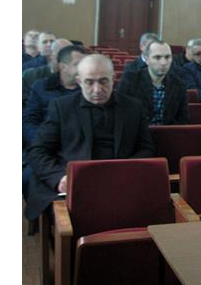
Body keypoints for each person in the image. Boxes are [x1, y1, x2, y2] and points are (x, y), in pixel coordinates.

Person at [24, 54, 155, 222]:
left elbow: (146, 148)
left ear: (113, 78)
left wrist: (125, 171)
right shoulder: (62, 107)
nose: (97, 89)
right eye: (89, 82)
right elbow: (37, 151)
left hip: (120, 180)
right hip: (74, 181)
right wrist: (59, 178)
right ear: (79, 81)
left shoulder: (133, 107)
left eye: (103, 81)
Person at [22, 45, 86, 203]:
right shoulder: (41, 86)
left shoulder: (87, 89)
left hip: (77, 147)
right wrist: (42, 141)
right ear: (63, 67)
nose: (83, 68)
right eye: (78, 64)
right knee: (29, 177)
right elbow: (29, 120)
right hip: (45, 146)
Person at [117, 41, 189, 125]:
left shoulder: (179, 85)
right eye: (157, 57)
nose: (163, 62)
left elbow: (183, 119)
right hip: (136, 131)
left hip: (167, 131)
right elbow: (119, 112)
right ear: (147, 59)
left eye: (167, 57)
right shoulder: (130, 80)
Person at [22, 38, 72, 108]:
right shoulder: (31, 76)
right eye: (63, 54)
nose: (68, 59)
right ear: (51, 55)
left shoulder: (78, 77)